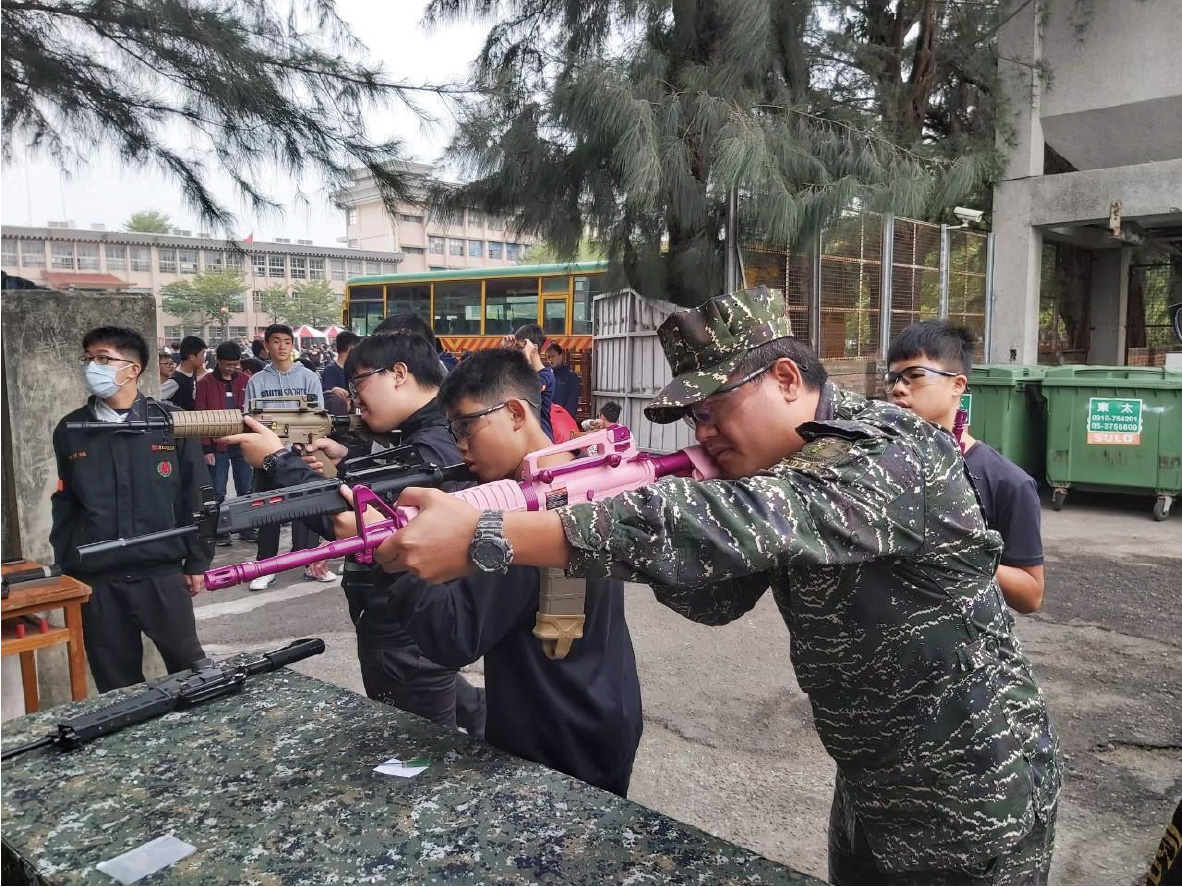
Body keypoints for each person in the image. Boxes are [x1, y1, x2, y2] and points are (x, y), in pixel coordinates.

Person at [378, 286, 1062, 885]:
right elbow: (717, 594)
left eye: (712, 408)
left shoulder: (889, 451)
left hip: (974, 797)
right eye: (694, 418)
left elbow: (728, 525)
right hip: (875, 790)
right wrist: (641, 489)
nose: (703, 430)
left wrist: (491, 533)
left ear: (787, 378)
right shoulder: (777, 469)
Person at [391, 349, 642, 794]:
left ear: (513, 412)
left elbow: (453, 634)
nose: (459, 444)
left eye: (467, 426)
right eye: (453, 430)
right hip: (604, 707)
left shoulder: (523, 509)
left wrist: (395, 555)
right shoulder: (578, 477)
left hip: (552, 736)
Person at [223, 331, 486, 738]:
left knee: (415, 749)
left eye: (360, 382)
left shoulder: (432, 444)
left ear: (398, 374)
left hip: (403, 625)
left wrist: (277, 461)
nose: (355, 397)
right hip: (409, 618)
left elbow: (359, 524)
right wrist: (351, 460)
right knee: (456, 705)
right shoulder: (430, 433)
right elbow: (388, 491)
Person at [50, 326, 211, 692]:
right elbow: (66, 503)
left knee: (192, 676)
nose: (93, 367)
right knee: (117, 684)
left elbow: (198, 495)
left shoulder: (170, 422)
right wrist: (67, 564)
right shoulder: (73, 429)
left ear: (133, 369)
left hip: (162, 574)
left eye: (104, 359)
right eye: (88, 359)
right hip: (99, 581)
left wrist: (198, 561)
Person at [885, 321, 1045, 614]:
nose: (898, 389)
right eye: (893, 378)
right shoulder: (879, 466)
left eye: (914, 376)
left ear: (957, 385)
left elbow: (1031, 596)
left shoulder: (1007, 482)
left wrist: (959, 555)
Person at [243, 324, 335, 589]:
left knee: (308, 507)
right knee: (267, 510)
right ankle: (266, 566)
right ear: (267, 346)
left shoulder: (308, 377)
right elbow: (250, 419)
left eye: (286, 341)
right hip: (267, 455)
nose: (282, 346)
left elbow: (319, 417)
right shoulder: (257, 381)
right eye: (276, 341)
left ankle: (311, 563)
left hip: (302, 452)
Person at [195, 341, 254, 546]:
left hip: (242, 442)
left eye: (235, 364)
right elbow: (200, 416)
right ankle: (220, 530)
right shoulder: (205, 383)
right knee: (218, 489)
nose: (231, 368)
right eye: (227, 364)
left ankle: (246, 528)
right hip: (217, 443)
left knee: (245, 487)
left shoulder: (246, 381)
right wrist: (206, 447)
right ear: (218, 361)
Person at [507, 323, 555, 441]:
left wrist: (527, 355)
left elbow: (528, 387)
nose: (518, 351)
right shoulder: (522, 371)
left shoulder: (546, 375)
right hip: (524, 436)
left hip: (541, 437)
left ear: (534, 347)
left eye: (520, 347)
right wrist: (505, 350)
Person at [169, 335, 207, 410]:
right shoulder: (174, 381)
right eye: (202, 355)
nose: (203, 360)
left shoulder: (193, 372)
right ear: (192, 357)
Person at [545, 341, 581, 417]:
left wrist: (564, 417)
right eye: (548, 357)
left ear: (560, 356)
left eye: (553, 356)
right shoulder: (545, 376)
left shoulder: (571, 377)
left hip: (563, 419)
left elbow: (572, 402)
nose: (550, 359)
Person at [322, 330, 359, 399]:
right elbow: (326, 395)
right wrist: (332, 391)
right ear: (351, 348)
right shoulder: (331, 370)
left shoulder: (355, 369)